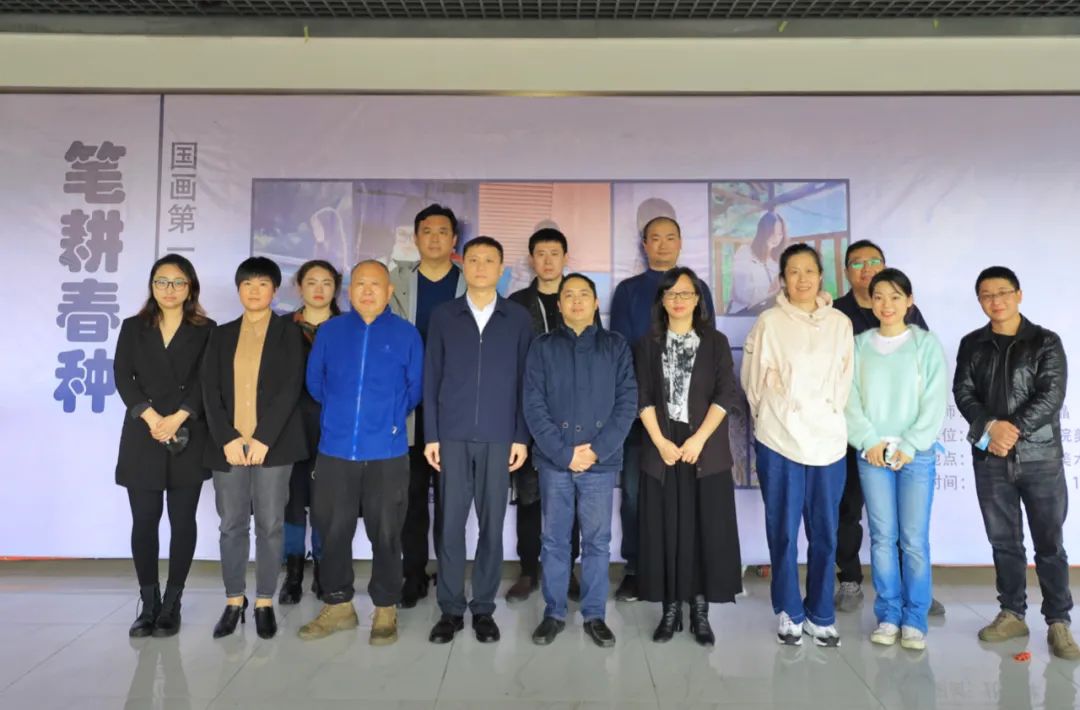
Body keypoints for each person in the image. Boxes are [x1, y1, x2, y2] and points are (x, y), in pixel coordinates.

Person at [953, 266, 1080, 660]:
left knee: (1049, 543)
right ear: (979, 300)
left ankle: (1058, 621)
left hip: (1040, 457)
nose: (996, 301)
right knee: (1004, 541)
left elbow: (1051, 395)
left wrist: (1012, 430)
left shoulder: (1045, 341)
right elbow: (963, 392)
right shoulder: (972, 344)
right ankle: (1012, 613)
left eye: (1003, 292)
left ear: (1019, 295)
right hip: (990, 458)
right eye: (987, 295)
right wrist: (991, 428)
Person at [297, 260, 424, 645]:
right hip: (335, 449)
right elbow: (315, 383)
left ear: (389, 292)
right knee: (332, 529)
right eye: (360, 284)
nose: (367, 291)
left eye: (376, 285)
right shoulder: (331, 331)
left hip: (386, 450)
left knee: (386, 532)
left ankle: (385, 606)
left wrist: (382, 420)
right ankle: (338, 605)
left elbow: (414, 390)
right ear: (349, 291)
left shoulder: (406, 334)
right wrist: (343, 416)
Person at [741, 243, 853, 647]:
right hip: (779, 438)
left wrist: (826, 417)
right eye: (793, 271)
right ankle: (789, 610)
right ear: (782, 279)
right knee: (784, 531)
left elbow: (845, 381)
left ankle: (821, 613)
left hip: (828, 441)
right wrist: (775, 417)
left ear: (821, 276)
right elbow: (752, 383)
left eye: (809, 271)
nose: (802, 278)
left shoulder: (839, 323)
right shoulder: (770, 322)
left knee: (825, 532)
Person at [424, 236, 533, 644]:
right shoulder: (444, 315)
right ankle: (451, 609)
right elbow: (431, 376)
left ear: (502, 269)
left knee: (492, 525)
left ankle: (484, 608)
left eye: (489, 260)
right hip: (451, 436)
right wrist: (432, 434)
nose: (481, 266)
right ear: (463, 265)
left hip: (499, 437)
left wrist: (520, 436)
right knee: (450, 525)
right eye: (473, 259)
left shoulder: (517, 317)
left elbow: (526, 381)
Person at [524, 273, 637, 648]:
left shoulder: (615, 346)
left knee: (597, 542)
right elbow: (533, 403)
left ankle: (594, 615)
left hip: (599, 463)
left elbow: (627, 403)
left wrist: (596, 450)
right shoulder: (542, 346)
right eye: (568, 295)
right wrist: (563, 453)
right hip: (555, 462)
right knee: (554, 541)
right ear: (558, 305)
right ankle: (554, 613)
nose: (576, 301)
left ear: (595, 302)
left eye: (583, 294)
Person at [831, 240, 943, 617]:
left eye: (873, 261)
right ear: (846, 271)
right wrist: (866, 438)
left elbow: (927, 382)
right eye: (857, 263)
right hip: (856, 438)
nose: (866, 268)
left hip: (908, 443)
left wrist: (912, 441)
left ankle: (913, 591)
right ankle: (850, 579)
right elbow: (842, 383)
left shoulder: (915, 325)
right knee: (850, 510)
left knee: (907, 526)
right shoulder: (837, 314)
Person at [609, 216, 715, 602]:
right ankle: (636, 569)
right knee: (636, 493)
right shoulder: (629, 291)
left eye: (671, 237)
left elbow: (707, 347)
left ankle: (684, 570)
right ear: (644, 244)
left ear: (681, 242)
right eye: (655, 238)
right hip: (641, 412)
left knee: (688, 494)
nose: (663, 244)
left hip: (689, 416)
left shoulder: (697, 287)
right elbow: (621, 350)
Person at [636, 267, 743, 646]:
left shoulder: (715, 342)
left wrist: (698, 439)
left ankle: (700, 610)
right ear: (662, 301)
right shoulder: (647, 344)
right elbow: (642, 396)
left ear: (698, 299)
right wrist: (660, 442)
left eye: (686, 293)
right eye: (671, 294)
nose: (678, 300)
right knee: (665, 529)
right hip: (662, 447)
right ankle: (670, 610)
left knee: (704, 529)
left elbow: (726, 394)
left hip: (704, 448)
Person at [202, 257, 307, 640]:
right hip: (229, 447)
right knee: (231, 524)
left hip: (272, 447)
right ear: (238, 289)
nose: (254, 290)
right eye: (248, 284)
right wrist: (227, 438)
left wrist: (264, 438)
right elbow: (209, 390)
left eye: (263, 284)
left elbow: (291, 388)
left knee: (270, 524)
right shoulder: (221, 334)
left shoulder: (289, 333)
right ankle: (234, 600)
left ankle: (264, 601)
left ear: (275, 290)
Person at [114, 254, 214, 638]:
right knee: (144, 520)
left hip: (187, 434)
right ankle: (148, 603)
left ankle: (172, 603)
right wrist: (151, 416)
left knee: (182, 521)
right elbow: (122, 375)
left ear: (190, 288)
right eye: (162, 281)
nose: (169, 289)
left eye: (178, 282)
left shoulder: (206, 330)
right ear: (152, 285)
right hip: (144, 433)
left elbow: (209, 380)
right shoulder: (134, 327)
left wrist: (179, 416)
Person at [506, 228, 599, 603]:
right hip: (530, 413)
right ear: (531, 259)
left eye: (554, 253)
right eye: (540, 254)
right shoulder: (516, 303)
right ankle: (529, 570)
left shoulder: (579, 299)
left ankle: (567, 572)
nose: (547, 260)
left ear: (565, 257)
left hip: (573, 415)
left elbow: (596, 355)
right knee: (529, 497)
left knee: (570, 497)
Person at [389, 203, 468, 609]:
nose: (435, 238)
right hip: (408, 408)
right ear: (416, 238)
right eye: (427, 231)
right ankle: (414, 575)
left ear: (455, 239)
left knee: (452, 502)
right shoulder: (395, 282)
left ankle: (451, 577)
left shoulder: (472, 282)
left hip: (455, 408)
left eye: (443, 231)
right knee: (412, 498)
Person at [279, 260, 342, 605]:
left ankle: (322, 569)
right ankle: (292, 572)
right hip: (288, 427)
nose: (319, 289)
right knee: (291, 501)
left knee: (325, 503)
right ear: (299, 286)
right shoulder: (280, 327)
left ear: (336, 288)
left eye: (327, 282)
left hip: (333, 428)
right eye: (312, 282)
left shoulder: (348, 328)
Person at [727, 211, 789, 315]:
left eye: (779, 234)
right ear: (762, 233)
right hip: (743, 313)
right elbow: (742, 294)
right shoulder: (745, 252)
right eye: (771, 233)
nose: (776, 238)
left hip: (767, 313)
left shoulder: (778, 259)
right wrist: (772, 289)